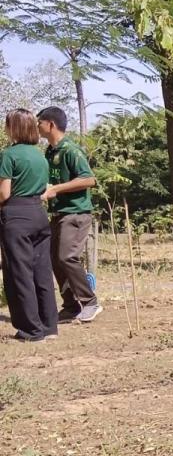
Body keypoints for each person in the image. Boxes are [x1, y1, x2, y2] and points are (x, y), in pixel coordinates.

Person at [36, 106, 101, 324]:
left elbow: (89, 179)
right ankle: (71, 306)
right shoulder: (50, 151)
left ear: (50, 125)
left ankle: (90, 302)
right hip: (58, 213)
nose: (37, 127)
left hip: (75, 213)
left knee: (66, 257)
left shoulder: (71, 150)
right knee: (55, 259)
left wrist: (56, 189)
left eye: (40, 123)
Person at [0, 109, 59, 341]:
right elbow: (44, 188)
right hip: (38, 214)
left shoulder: (8, 155)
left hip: (16, 216)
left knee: (19, 273)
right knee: (42, 271)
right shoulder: (39, 155)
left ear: (13, 127)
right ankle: (49, 325)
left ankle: (30, 330)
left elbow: (4, 193)